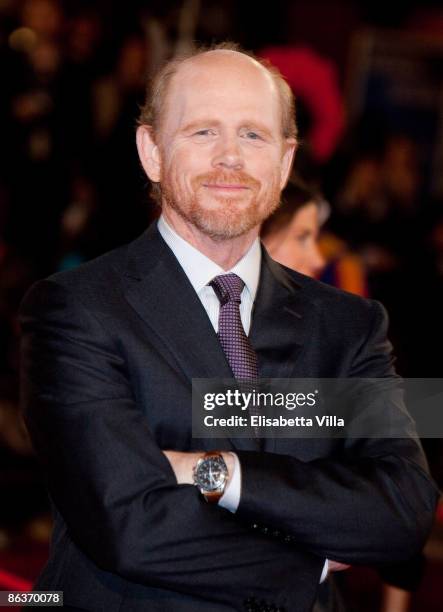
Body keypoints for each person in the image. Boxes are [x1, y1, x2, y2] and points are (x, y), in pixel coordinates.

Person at [19, 43, 439, 612]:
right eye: (201, 132)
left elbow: (403, 513)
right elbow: (129, 524)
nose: (230, 158)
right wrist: (310, 556)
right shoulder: (75, 310)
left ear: (286, 162)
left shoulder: (349, 325)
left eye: (253, 135)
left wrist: (214, 471)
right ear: (151, 151)